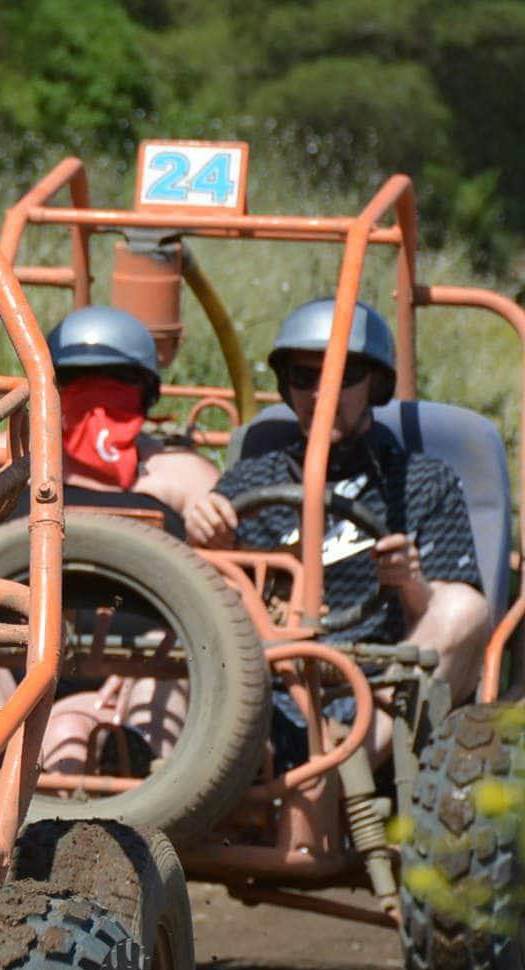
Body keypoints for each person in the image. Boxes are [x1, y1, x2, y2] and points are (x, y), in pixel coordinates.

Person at [186, 297, 489, 764]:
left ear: (375, 385)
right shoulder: (249, 481)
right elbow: (211, 597)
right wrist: (208, 538)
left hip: (379, 686)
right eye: (304, 378)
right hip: (267, 684)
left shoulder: (422, 481)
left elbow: (452, 622)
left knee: (464, 608)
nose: (321, 396)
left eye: (342, 378)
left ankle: (346, 766)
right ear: (287, 387)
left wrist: (410, 583)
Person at [0, 307, 221, 773]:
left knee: (181, 657)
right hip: (19, 661)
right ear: (52, 391)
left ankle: (141, 771)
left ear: (143, 392)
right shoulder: (16, 473)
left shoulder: (178, 474)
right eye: (79, 382)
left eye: (117, 380)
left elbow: (226, 568)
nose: (97, 401)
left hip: (145, 664)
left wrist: (213, 527)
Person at [47, 305, 218, 519]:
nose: (96, 395)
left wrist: (203, 531)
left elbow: (222, 539)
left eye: (118, 377)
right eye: (74, 376)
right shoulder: (9, 463)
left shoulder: (186, 475)